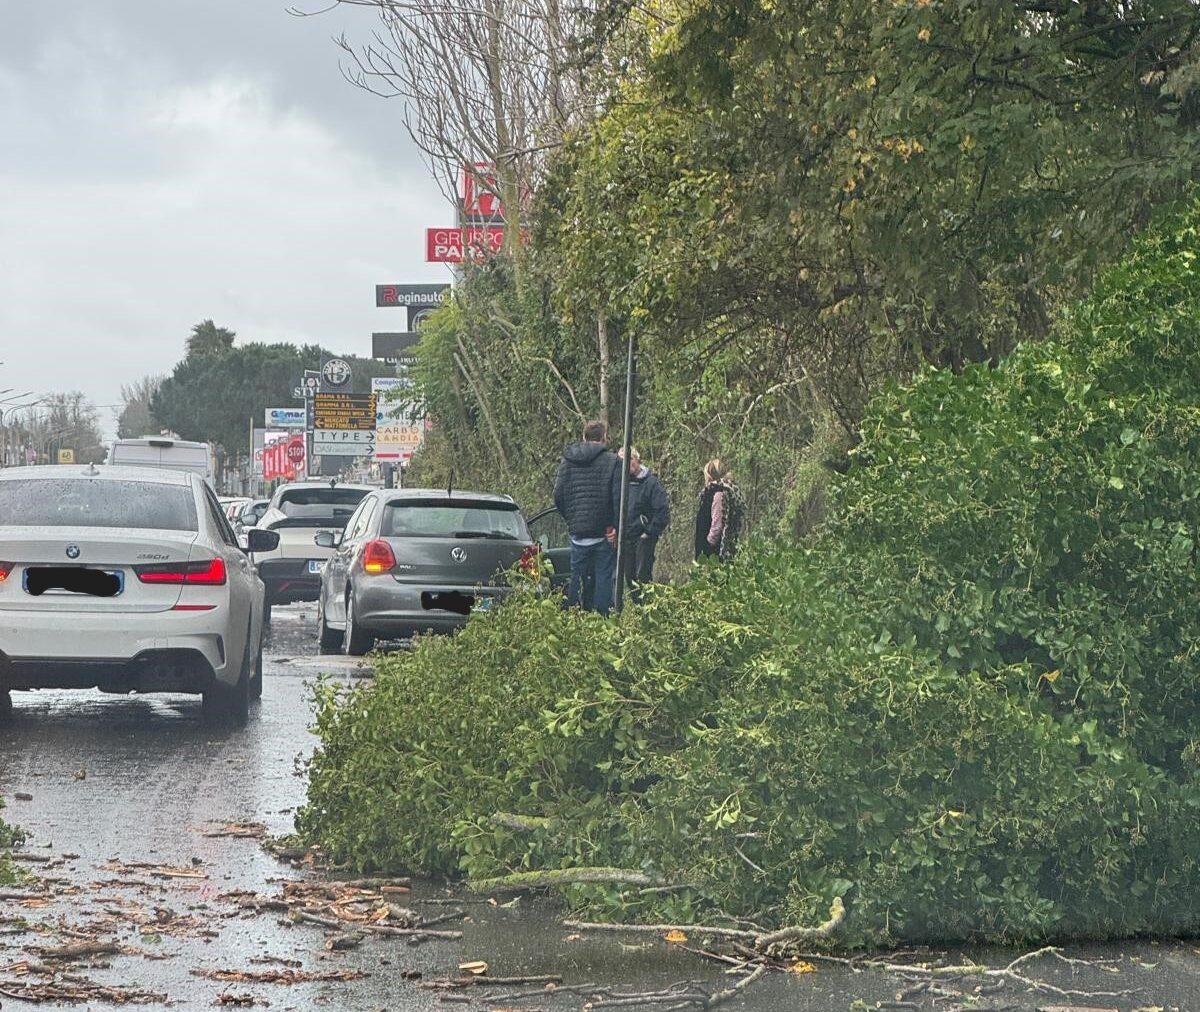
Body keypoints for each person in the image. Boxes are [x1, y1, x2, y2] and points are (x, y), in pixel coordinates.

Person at [553, 419, 622, 615]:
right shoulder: (613, 462)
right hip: (604, 532)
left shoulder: (567, 462)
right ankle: (603, 623)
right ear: (604, 438)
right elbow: (617, 498)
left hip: (578, 533)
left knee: (577, 578)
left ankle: (575, 618)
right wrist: (615, 527)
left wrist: (572, 519)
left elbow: (558, 495)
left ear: (584, 437)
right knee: (603, 578)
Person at [616, 447, 670, 594]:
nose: (626, 464)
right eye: (622, 461)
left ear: (637, 460)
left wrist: (648, 532)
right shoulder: (620, 485)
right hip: (625, 538)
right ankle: (637, 611)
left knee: (642, 578)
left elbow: (662, 511)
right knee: (629, 578)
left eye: (629, 459)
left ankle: (648, 610)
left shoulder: (651, 483)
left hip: (643, 538)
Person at [694, 458, 745, 563]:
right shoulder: (726, 491)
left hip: (715, 553)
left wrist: (707, 547)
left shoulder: (718, 494)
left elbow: (717, 526)